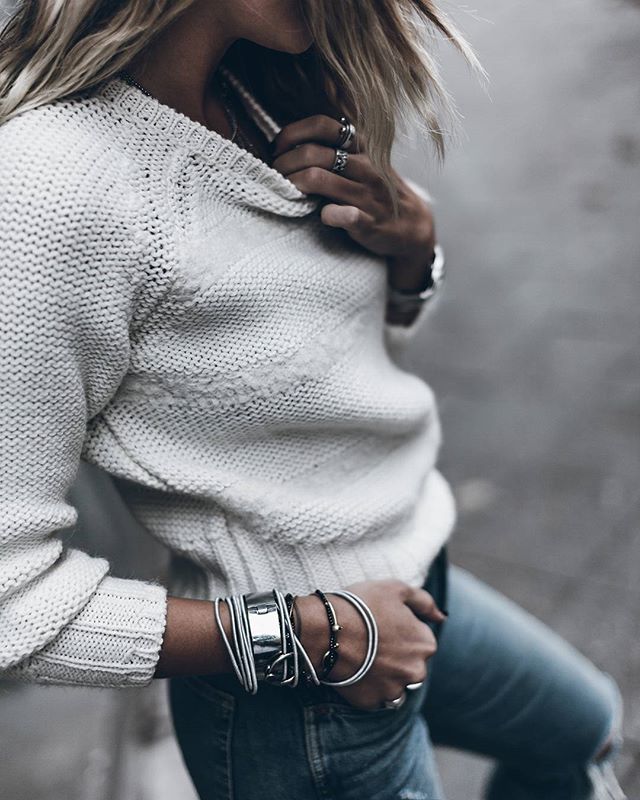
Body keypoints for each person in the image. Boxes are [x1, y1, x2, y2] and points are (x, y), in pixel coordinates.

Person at [0, 1, 626, 798]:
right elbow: (11, 601)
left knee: (580, 733)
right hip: (304, 700)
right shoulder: (49, 181)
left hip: (412, 582)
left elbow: (322, 379)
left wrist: (413, 250)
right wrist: (312, 634)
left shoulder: (260, 94)